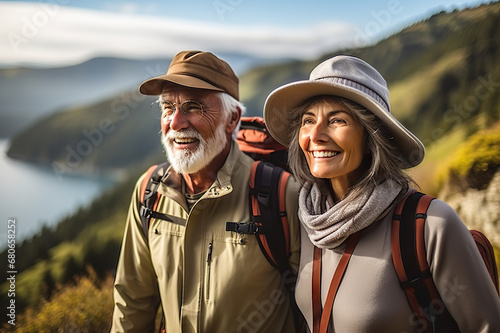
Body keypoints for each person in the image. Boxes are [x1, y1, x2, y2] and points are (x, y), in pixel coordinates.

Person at [263, 55, 500, 332]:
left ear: (372, 136)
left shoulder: (431, 224)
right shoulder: (308, 220)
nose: (315, 135)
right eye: (308, 120)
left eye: (336, 120)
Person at [111, 50, 301, 332]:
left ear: (232, 119)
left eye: (193, 107)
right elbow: (132, 302)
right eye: (167, 108)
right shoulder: (149, 191)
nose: (175, 123)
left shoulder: (281, 195)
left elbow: (315, 309)